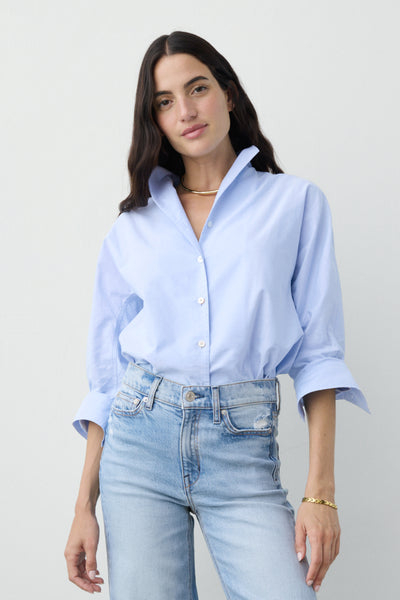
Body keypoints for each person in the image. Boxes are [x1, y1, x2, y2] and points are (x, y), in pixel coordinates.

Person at [64, 31, 369, 599]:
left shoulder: (295, 204)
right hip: (138, 444)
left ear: (227, 94)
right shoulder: (132, 227)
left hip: (242, 447)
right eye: (165, 101)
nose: (185, 110)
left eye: (197, 88)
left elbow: (319, 355)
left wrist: (320, 493)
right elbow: (107, 378)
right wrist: (84, 506)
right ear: (155, 120)